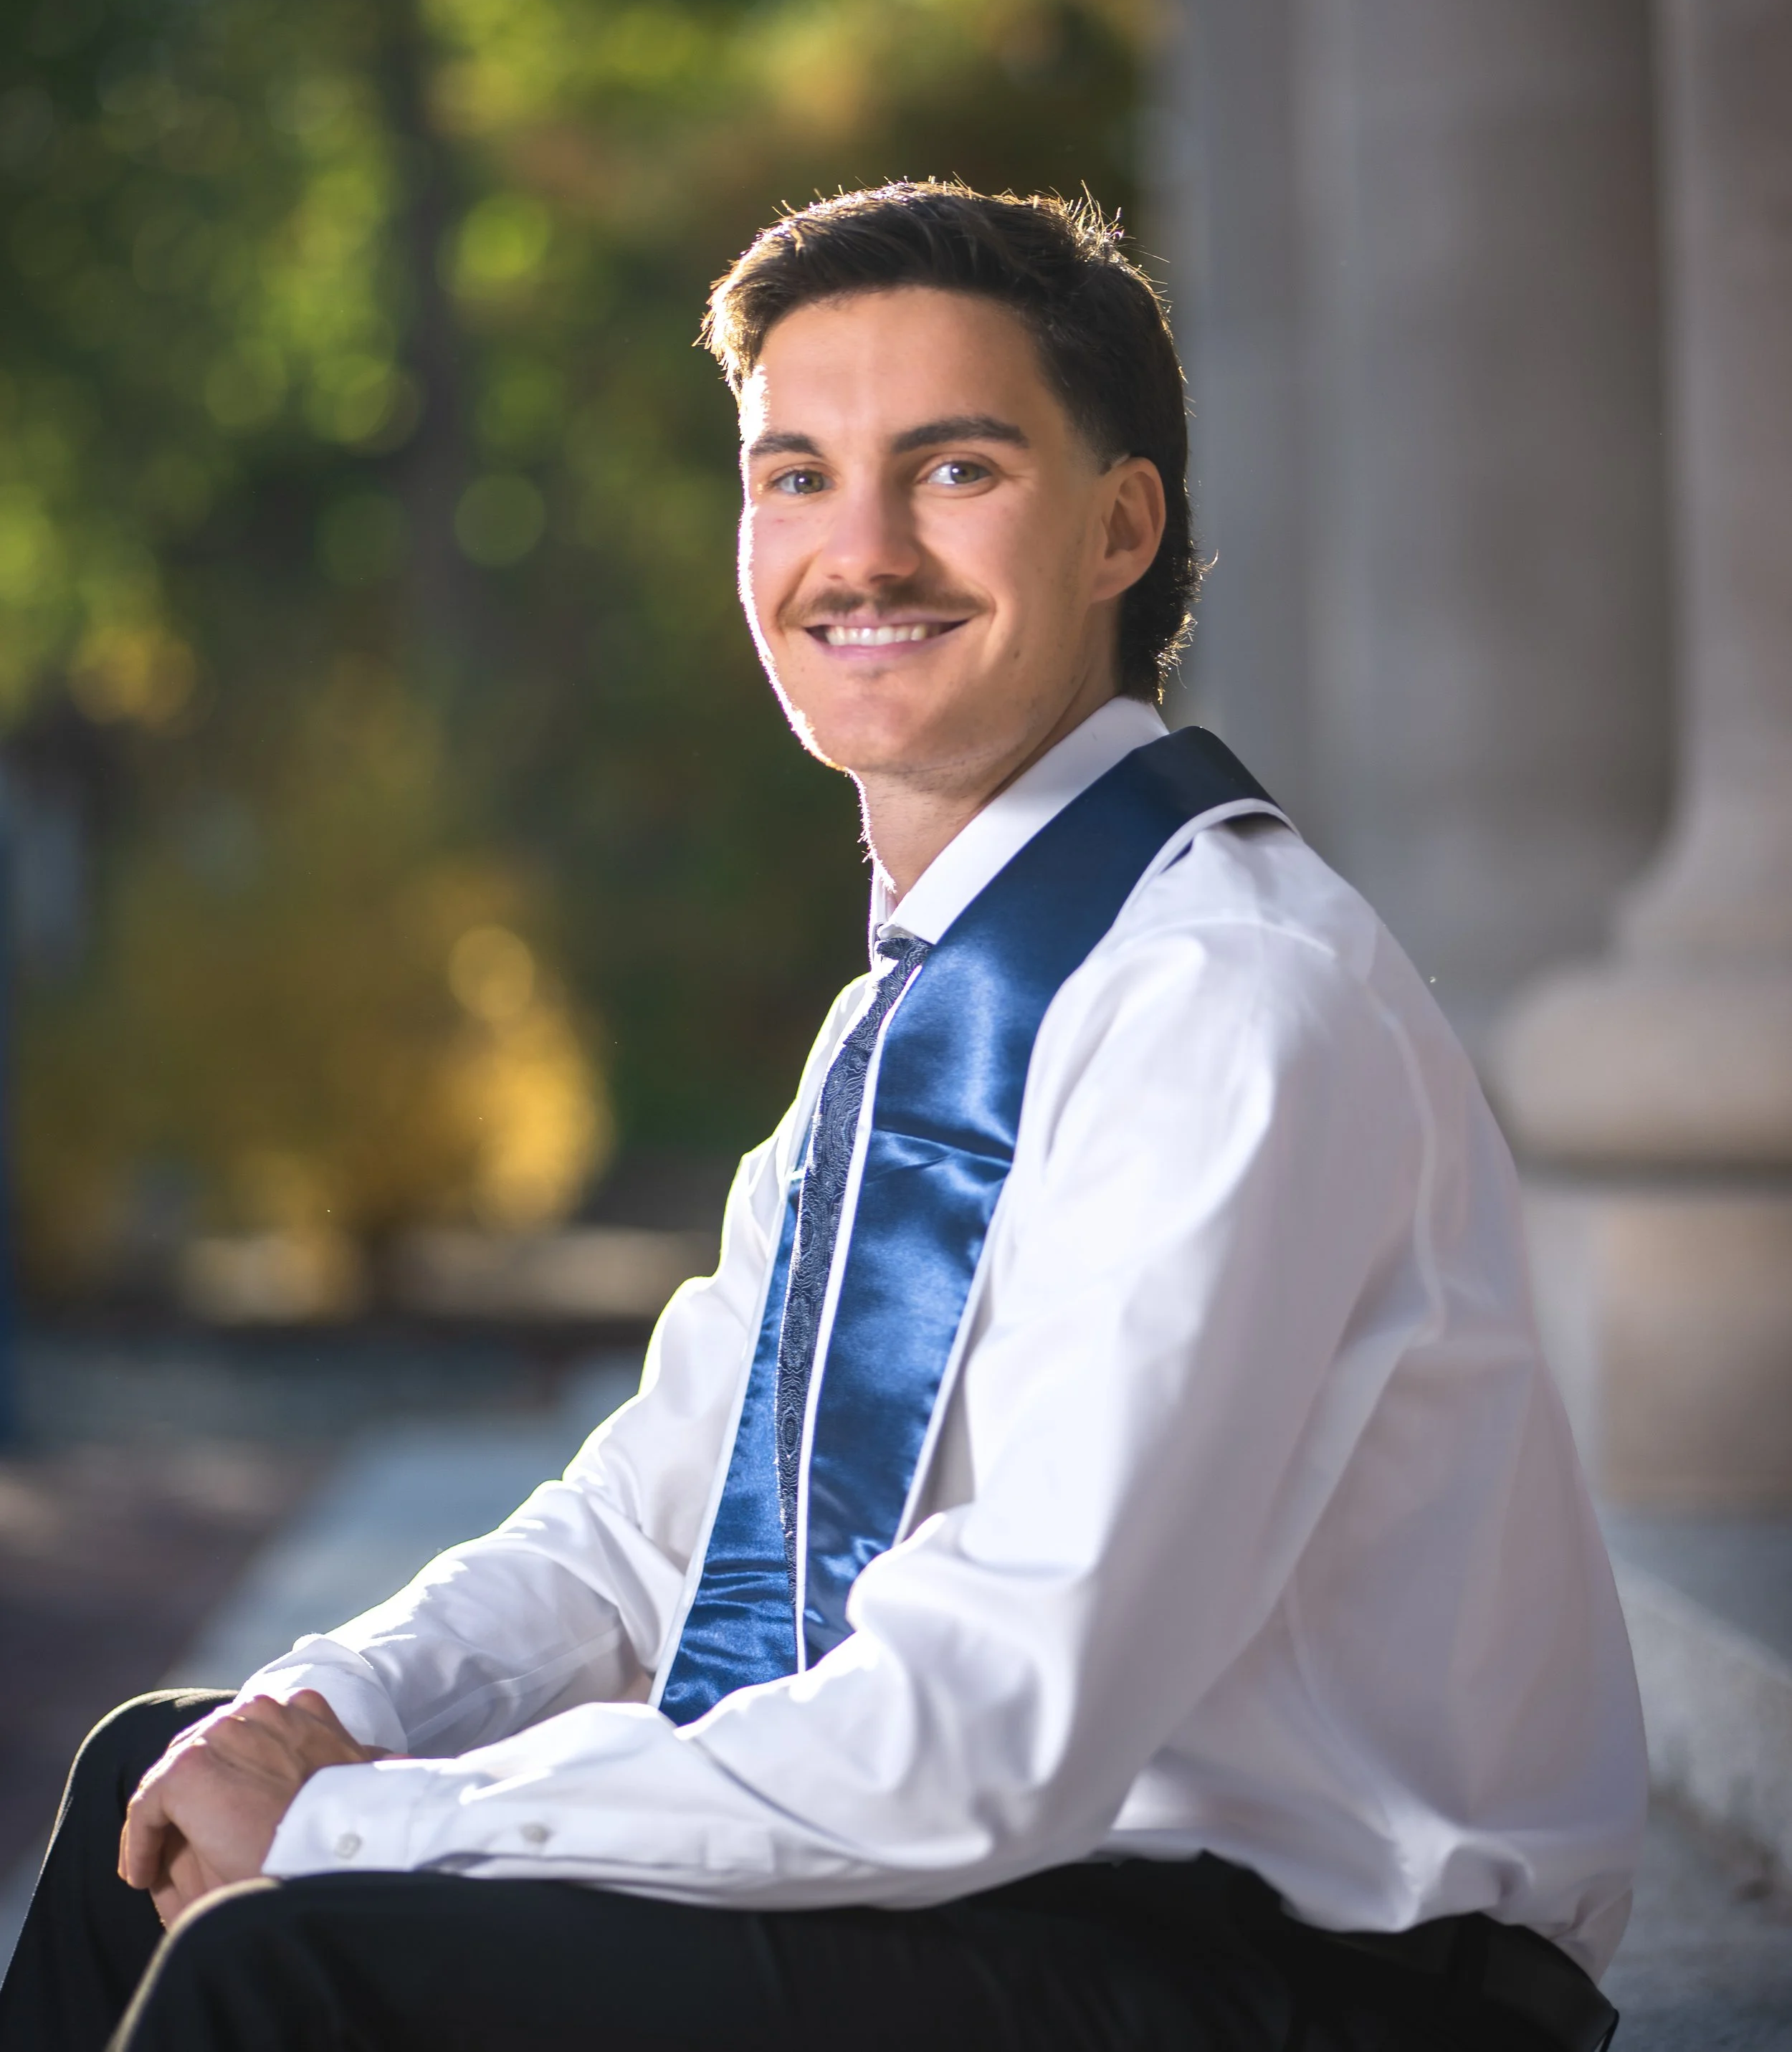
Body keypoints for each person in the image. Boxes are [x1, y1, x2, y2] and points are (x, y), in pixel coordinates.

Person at [0, 184, 1643, 2052]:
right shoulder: (928, 1006)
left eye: (951, 471)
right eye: (793, 478)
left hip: (1300, 1981)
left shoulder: (1221, 1008)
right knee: (160, 1783)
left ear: (1122, 527)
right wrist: (315, 1718)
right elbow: (648, 1532)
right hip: (1036, 1903)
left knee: (294, 1953)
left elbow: (993, 1733)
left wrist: (359, 1828)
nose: (855, 553)